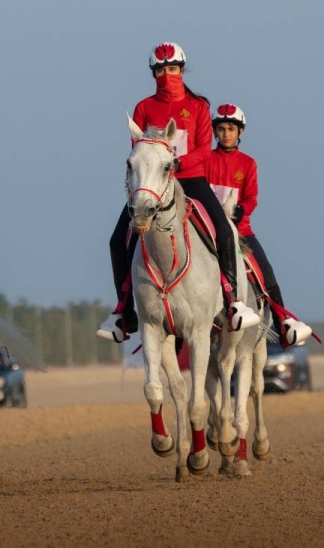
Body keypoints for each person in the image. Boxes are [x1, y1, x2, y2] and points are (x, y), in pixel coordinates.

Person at [97, 43, 260, 343]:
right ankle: (124, 312)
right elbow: (139, 153)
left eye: (172, 69)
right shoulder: (143, 108)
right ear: (153, 73)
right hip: (155, 187)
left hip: (191, 180)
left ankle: (233, 301)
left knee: (224, 232)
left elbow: (203, 149)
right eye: (160, 70)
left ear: (181, 71)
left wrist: (178, 163)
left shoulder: (199, 106)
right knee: (117, 241)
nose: (166, 75)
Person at [206, 103, 312, 348]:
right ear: (215, 131)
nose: (226, 134)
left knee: (266, 273)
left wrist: (242, 210)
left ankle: (283, 322)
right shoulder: (206, 160)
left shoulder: (248, 163)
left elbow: (251, 196)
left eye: (231, 128)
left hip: (241, 231)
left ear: (240, 132)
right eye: (221, 128)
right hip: (210, 232)